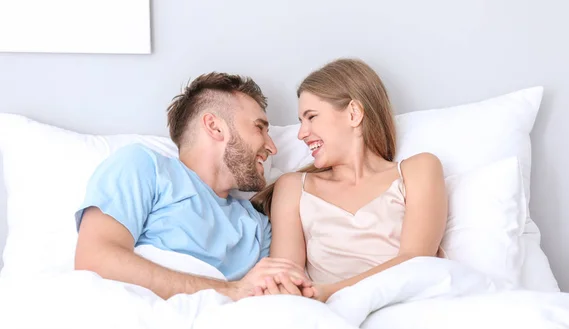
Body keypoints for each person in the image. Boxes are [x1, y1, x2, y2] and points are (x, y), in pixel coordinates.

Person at [74, 72, 315, 301]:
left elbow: (276, 300)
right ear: (215, 126)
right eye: (259, 127)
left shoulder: (257, 226)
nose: (272, 147)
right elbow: (95, 260)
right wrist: (230, 290)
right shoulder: (144, 166)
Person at [251, 58, 449, 302]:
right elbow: (287, 280)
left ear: (354, 113)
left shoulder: (418, 170)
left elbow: (416, 261)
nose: (302, 133)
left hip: (405, 306)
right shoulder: (294, 187)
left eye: (311, 117)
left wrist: (331, 293)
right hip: (330, 317)